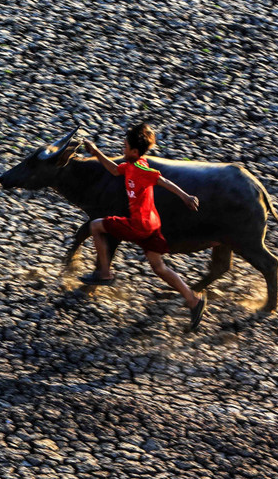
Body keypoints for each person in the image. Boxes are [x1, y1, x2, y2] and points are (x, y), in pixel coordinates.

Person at [81, 123, 207, 331]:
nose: (122, 150)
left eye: (125, 147)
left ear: (134, 151)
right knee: (159, 267)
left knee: (95, 226)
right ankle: (193, 300)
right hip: (150, 224)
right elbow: (113, 169)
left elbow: (162, 180)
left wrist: (185, 196)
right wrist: (95, 152)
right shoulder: (132, 164)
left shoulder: (141, 168)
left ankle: (104, 273)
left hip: (138, 225)